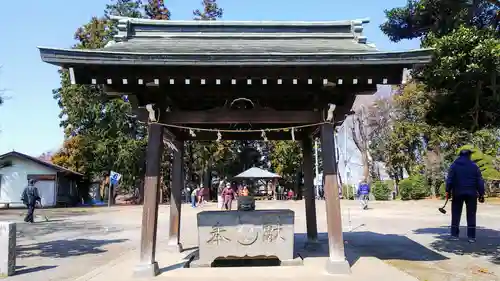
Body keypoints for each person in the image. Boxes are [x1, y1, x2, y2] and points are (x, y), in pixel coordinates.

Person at [446, 149, 485, 243]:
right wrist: (481, 193)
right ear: (469, 155)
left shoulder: (454, 165)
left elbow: (449, 179)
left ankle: (454, 235)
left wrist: (448, 191)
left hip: (457, 192)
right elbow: (479, 180)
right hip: (471, 193)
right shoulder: (474, 166)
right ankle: (471, 236)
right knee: (471, 214)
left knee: (455, 214)